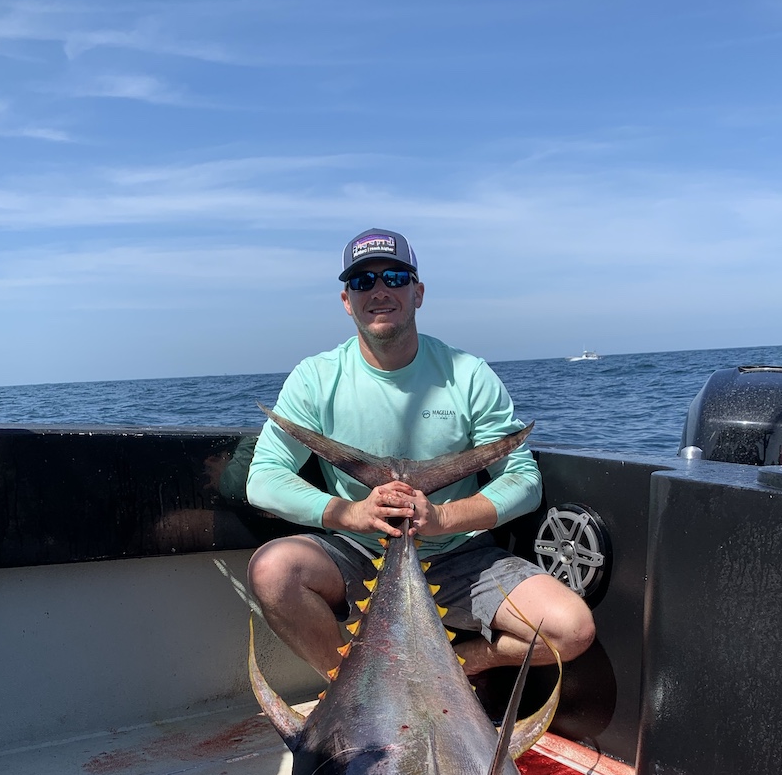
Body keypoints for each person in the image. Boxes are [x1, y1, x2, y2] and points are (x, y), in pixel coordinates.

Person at [246, 227, 595, 683]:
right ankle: (354, 689)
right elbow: (264, 478)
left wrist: (442, 519)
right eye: (363, 282)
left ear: (418, 293)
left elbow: (523, 480)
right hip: (357, 551)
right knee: (273, 571)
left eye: (394, 277)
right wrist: (353, 513)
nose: (379, 290)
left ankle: (446, 674)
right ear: (347, 301)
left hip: (458, 554)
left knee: (571, 629)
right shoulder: (315, 378)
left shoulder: (467, 374)